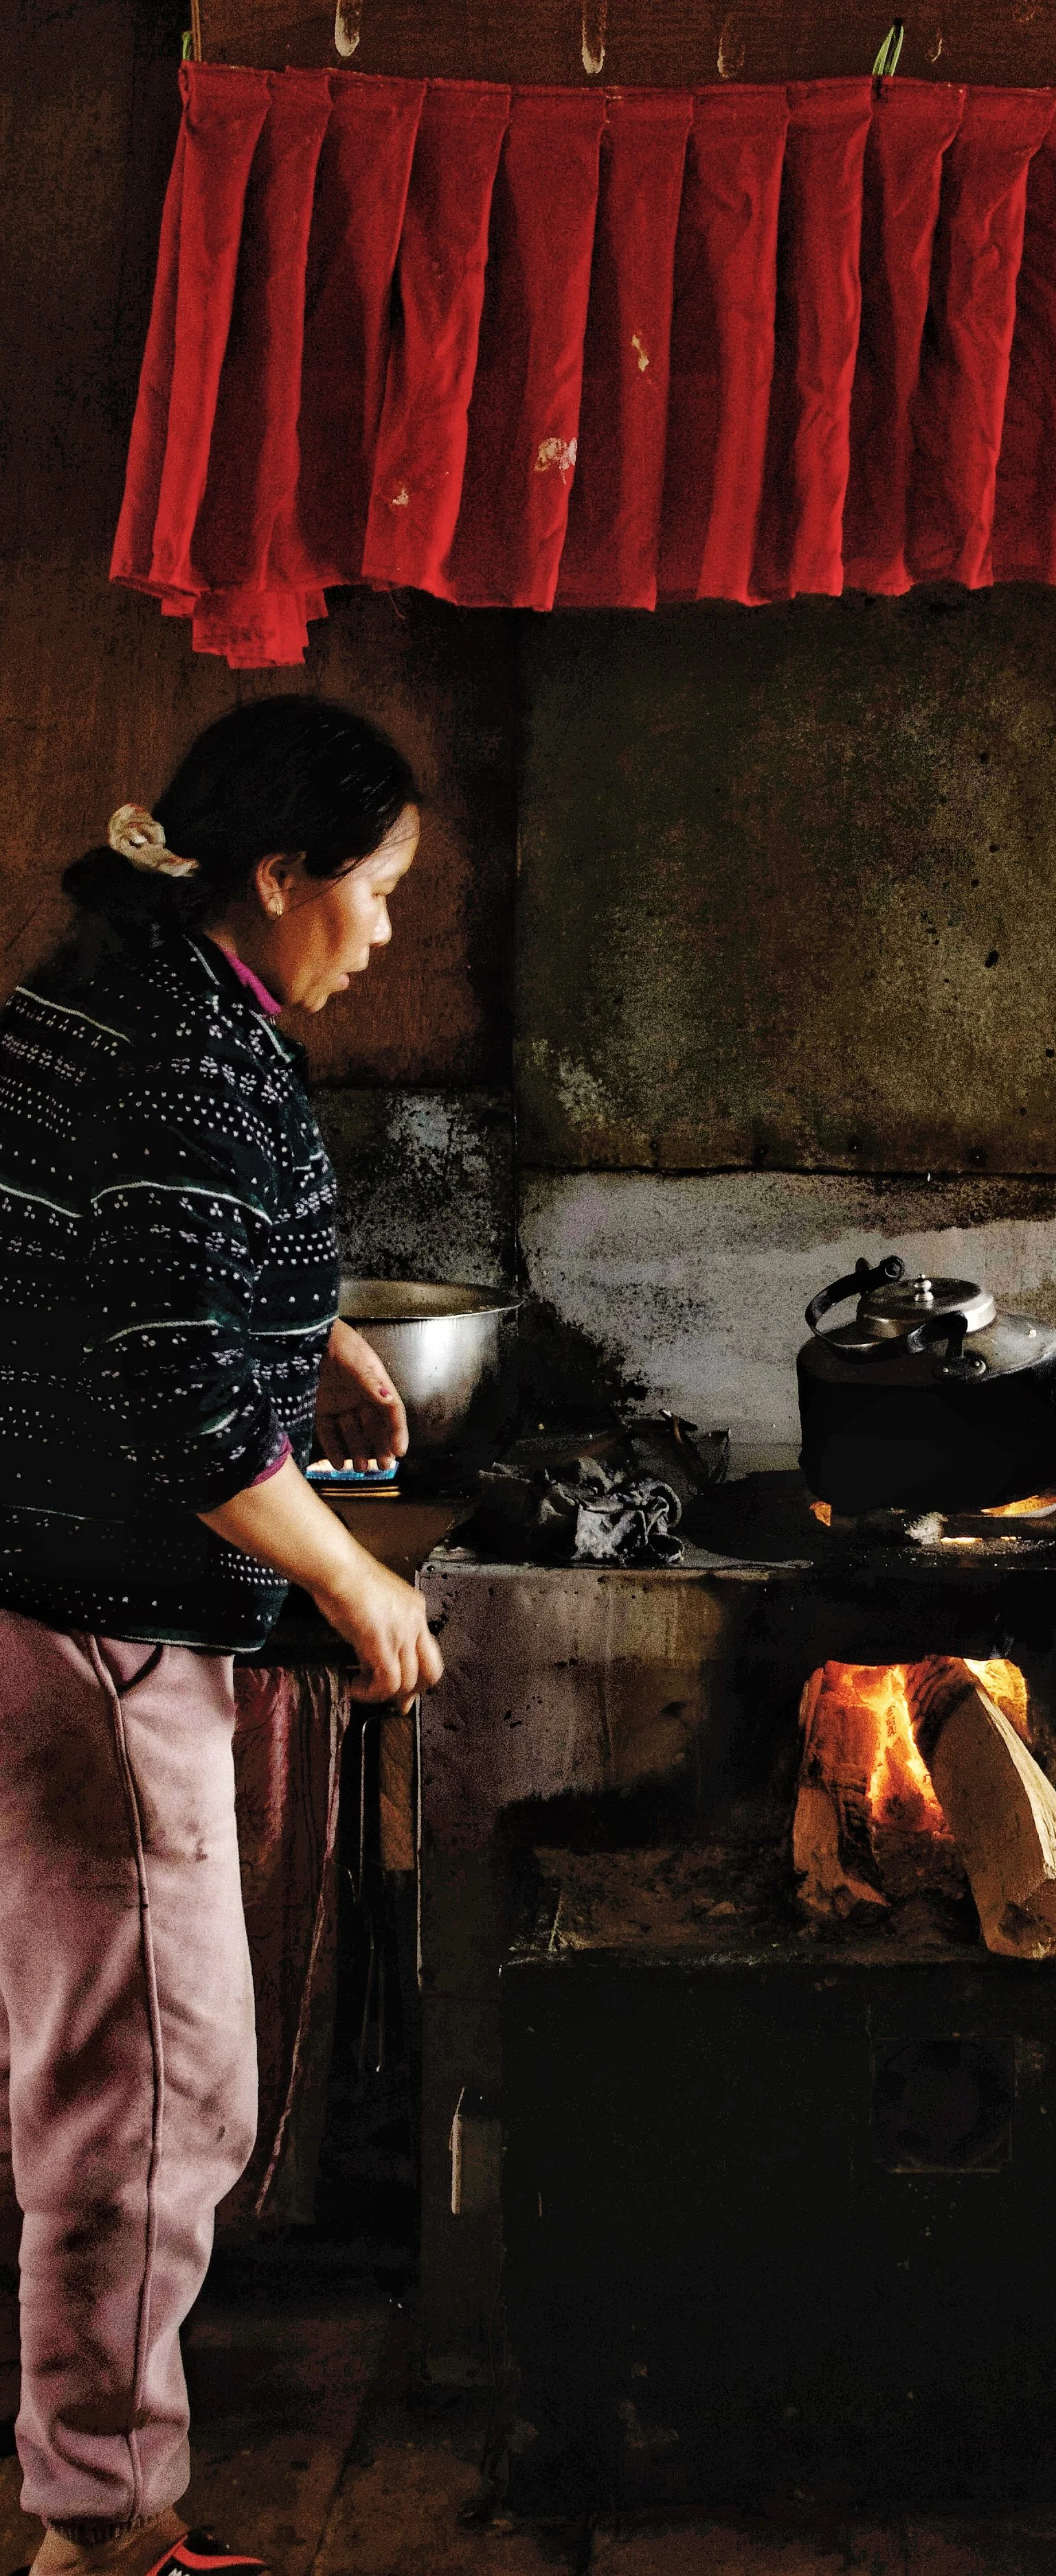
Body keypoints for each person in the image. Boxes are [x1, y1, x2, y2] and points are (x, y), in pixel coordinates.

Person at [0, 697, 445, 2576]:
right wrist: (353, 1575)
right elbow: (179, 1396)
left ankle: (86, 2506)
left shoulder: (103, 984)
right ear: (280, 877)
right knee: (162, 2101)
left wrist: (302, 1324)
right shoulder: (192, 1046)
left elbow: (118, 1252)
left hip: (35, 1601)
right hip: (99, 1638)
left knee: (85, 2073)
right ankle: (105, 2539)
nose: (388, 930)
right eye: (379, 891)